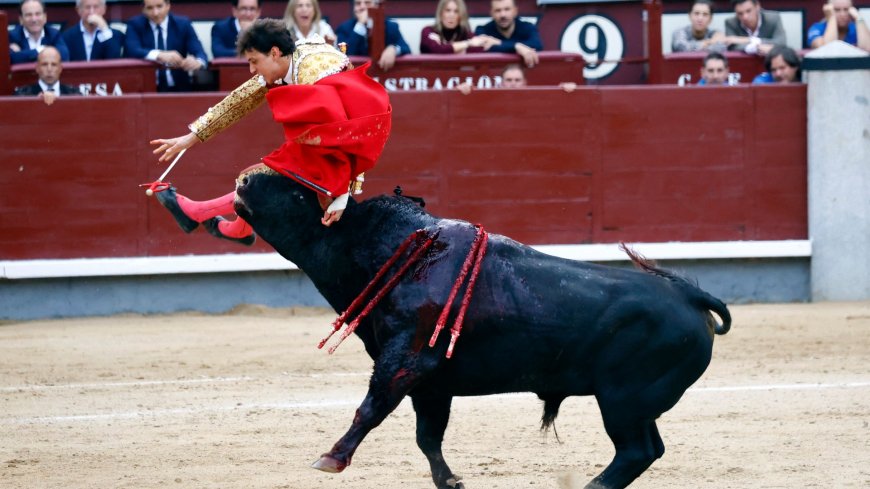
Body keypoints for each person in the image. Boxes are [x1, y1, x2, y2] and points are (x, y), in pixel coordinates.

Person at [149, 19, 391, 244]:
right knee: (257, 176)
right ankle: (236, 228)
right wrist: (190, 138)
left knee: (261, 179)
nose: (252, 69)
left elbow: (347, 132)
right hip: (336, 134)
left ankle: (200, 214)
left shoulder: (312, 73)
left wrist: (341, 194)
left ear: (274, 53)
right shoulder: (284, 62)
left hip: (360, 131)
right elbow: (238, 101)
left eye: (254, 61)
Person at [124, 0, 209, 92]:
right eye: (150, 8)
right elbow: (131, 49)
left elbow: (199, 52)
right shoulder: (135, 24)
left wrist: (197, 62)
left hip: (179, 88)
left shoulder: (183, 24)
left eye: (159, 6)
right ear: (143, 9)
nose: (155, 13)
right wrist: (159, 55)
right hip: (146, 89)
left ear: (168, 6)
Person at [335, 0, 410, 71]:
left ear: (376, 6)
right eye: (358, 4)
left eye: (367, 3)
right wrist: (360, 25)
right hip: (356, 77)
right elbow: (343, 55)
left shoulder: (390, 26)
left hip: (383, 75)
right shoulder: (344, 28)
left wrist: (393, 49)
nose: (362, 7)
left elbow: (406, 48)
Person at [474, 0, 543, 68]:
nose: (503, 15)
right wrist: (517, 47)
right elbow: (483, 49)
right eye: (498, 10)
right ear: (492, 13)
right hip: (493, 76)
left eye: (507, 9)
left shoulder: (527, 27)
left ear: (515, 11)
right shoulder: (483, 30)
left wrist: (500, 43)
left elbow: (537, 45)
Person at [8, 0, 70, 65]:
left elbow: (64, 56)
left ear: (45, 17)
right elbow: (12, 59)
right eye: (28, 15)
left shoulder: (53, 34)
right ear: (21, 19)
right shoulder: (12, 36)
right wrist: (43, 50)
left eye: (38, 14)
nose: (34, 19)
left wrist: (23, 54)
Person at [13, 46, 79, 105]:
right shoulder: (22, 95)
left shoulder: (74, 94)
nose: (49, 69)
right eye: (44, 64)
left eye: (54, 64)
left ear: (60, 68)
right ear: (37, 68)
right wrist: (34, 102)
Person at [420, 0, 485, 54]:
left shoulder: (465, 33)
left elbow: (479, 49)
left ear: (461, 15)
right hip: (432, 69)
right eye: (448, 10)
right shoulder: (428, 31)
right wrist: (468, 43)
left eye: (456, 11)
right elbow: (438, 50)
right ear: (440, 13)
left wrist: (446, 48)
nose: (451, 15)